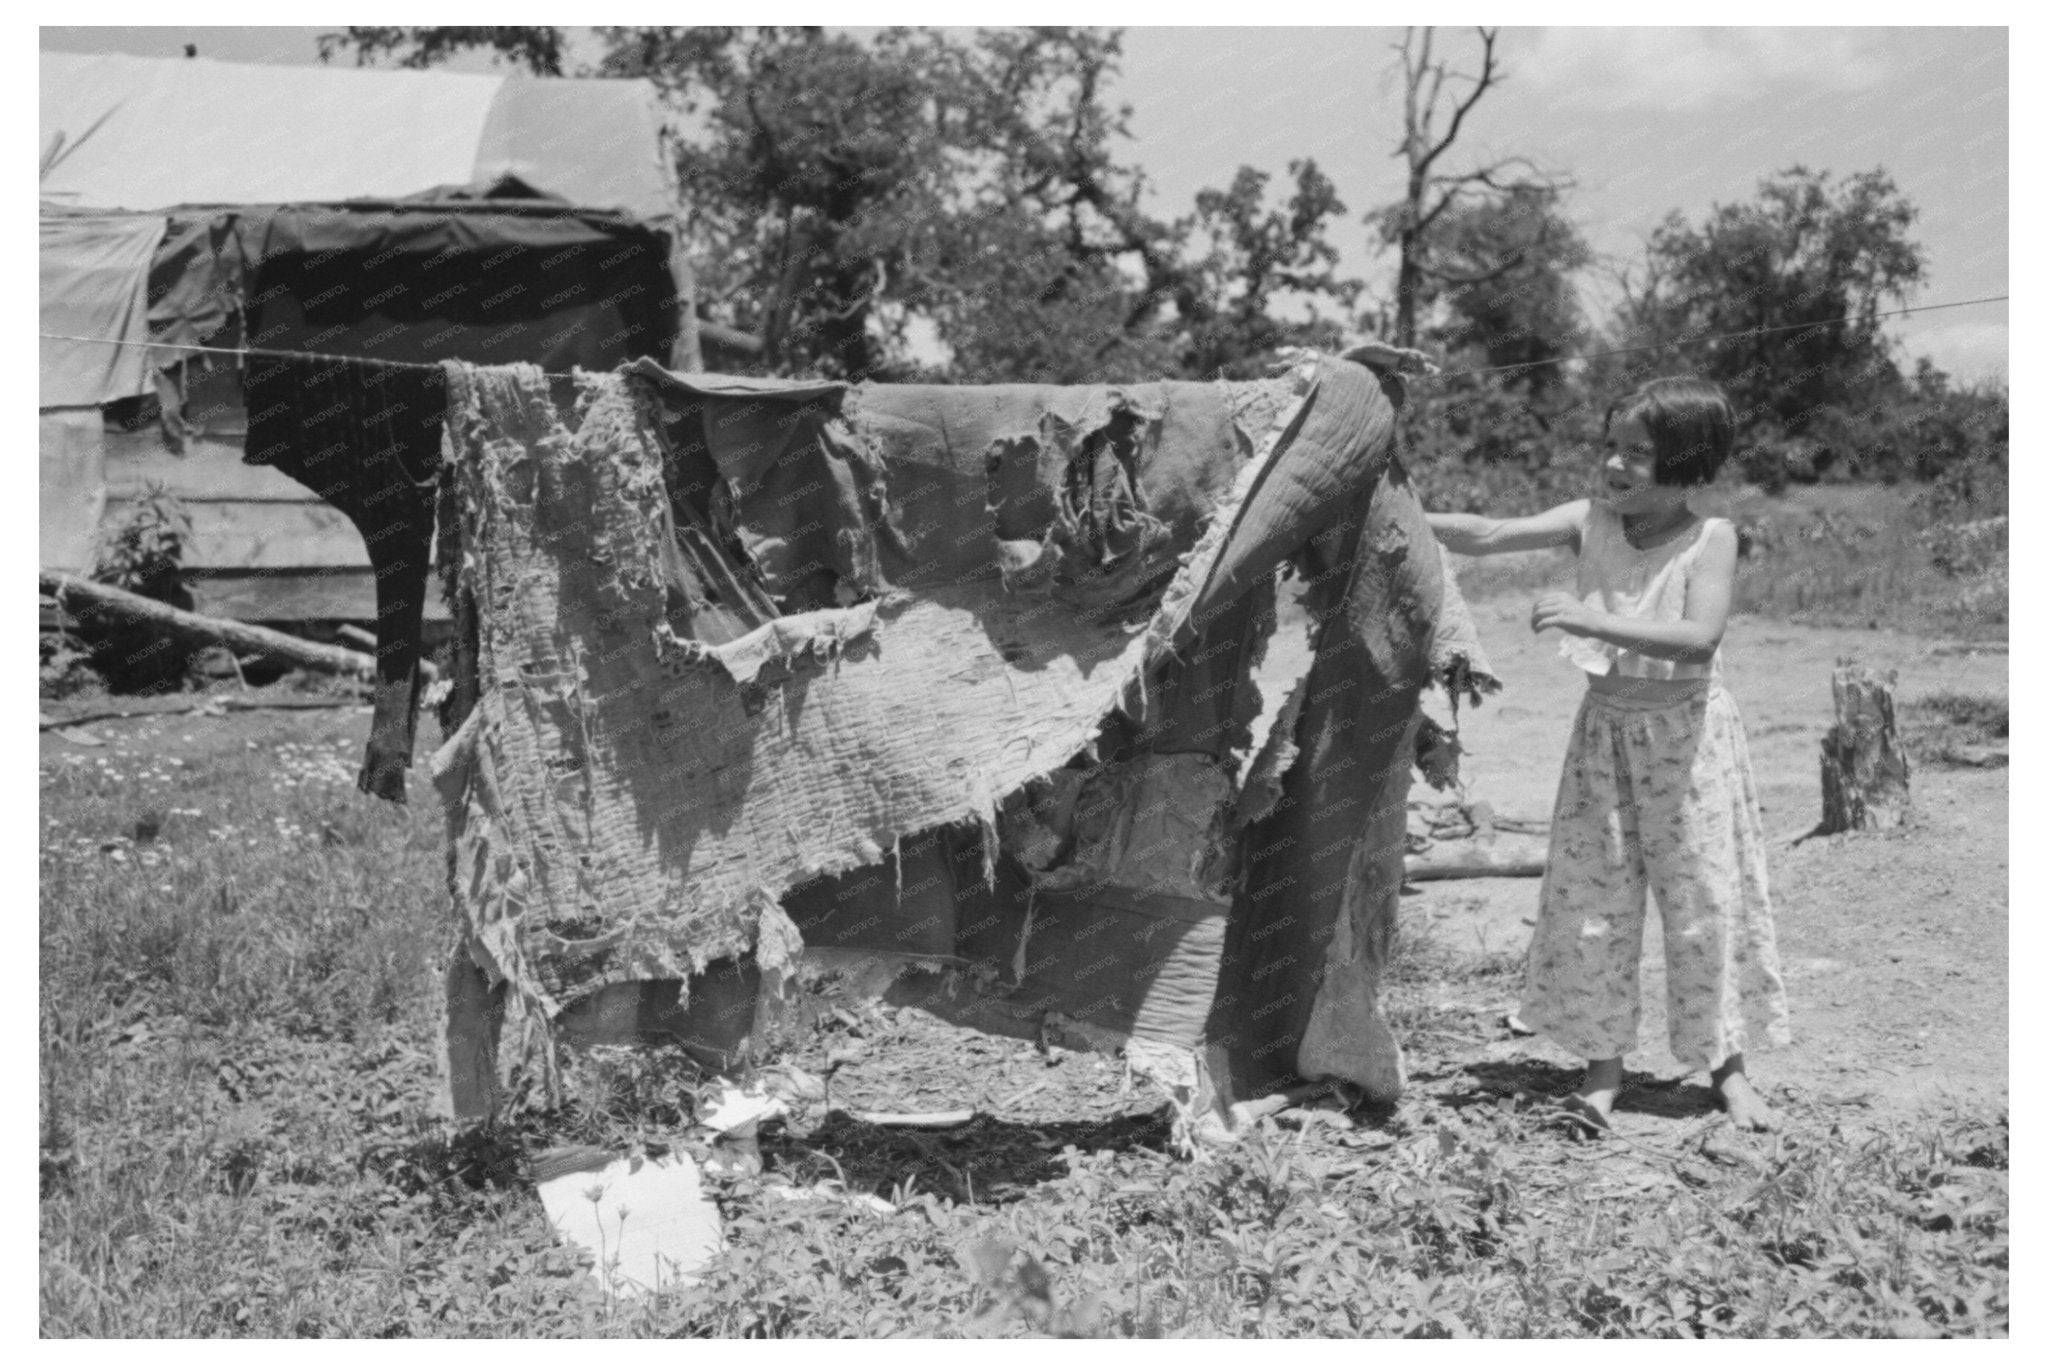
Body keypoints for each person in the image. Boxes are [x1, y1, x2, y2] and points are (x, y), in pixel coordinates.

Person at [1425, 376, 1790, 1133]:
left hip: (1688, 741)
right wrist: (1394, 510)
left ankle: (1728, 1071)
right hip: (1604, 735)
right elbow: (1488, 534)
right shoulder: (1587, 520)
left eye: (1639, 454)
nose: (1616, 465)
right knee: (1594, 903)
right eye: (1612, 447)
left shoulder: (1711, 538)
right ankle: (1602, 1072)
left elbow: (1699, 639)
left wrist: (1590, 618)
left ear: (1687, 464)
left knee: (1705, 903)